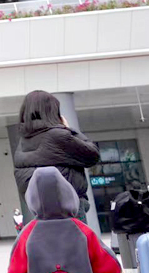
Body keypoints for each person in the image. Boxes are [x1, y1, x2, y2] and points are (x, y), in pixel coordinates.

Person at [14, 91, 101, 223]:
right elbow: (92, 155)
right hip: (69, 208)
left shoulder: (23, 142)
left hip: (42, 212)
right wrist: (67, 128)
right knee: (79, 242)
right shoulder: (58, 135)